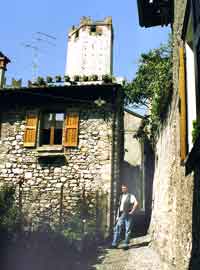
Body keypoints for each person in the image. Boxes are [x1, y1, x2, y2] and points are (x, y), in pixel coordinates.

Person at [111, 184, 138, 250]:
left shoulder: (131, 196)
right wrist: (117, 216)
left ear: (127, 189)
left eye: (124, 188)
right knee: (117, 227)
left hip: (128, 214)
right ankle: (114, 244)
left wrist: (132, 211)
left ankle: (126, 244)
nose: (123, 189)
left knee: (128, 229)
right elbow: (119, 207)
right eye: (122, 188)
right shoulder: (121, 196)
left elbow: (136, 203)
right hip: (121, 214)